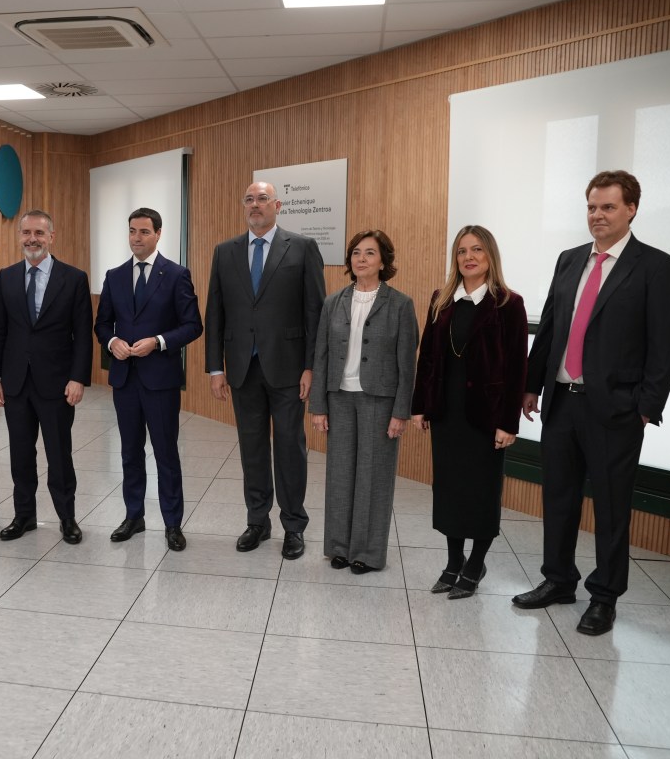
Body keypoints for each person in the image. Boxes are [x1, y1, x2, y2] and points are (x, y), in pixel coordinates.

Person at [514, 170, 670, 636]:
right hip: (562, 404)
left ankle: (605, 596)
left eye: (608, 207)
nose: (597, 215)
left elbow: (668, 341)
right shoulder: (570, 260)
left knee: (611, 507)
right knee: (559, 498)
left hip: (615, 409)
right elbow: (549, 326)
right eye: (592, 207)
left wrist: (647, 403)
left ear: (631, 209)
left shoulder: (655, 267)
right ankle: (558, 580)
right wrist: (532, 385)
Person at [205, 181, 326, 560]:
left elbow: (315, 312)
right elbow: (216, 312)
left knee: (290, 447)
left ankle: (294, 525)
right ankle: (257, 520)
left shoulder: (302, 248)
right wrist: (214, 368)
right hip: (242, 368)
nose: (255, 205)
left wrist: (311, 367)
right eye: (249, 200)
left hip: (289, 369)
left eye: (262, 199)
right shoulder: (225, 252)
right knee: (252, 449)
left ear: (277, 205)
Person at [410, 226, 528, 598]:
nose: (468, 257)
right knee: (449, 489)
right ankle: (452, 562)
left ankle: (475, 564)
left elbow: (517, 368)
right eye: (462, 251)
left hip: (486, 417)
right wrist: (420, 406)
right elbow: (427, 356)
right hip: (447, 414)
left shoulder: (508, 303)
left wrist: (508, 423)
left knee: (480, 492)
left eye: (477, 249)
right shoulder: (441, 300)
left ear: (490, 255)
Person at [94, 207, 203, 551]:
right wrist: (113, 343)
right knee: (129, 452)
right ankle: (134, 516)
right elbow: (102, 324)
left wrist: (157, 342)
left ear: (158, 234)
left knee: (165, 452)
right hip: (125, 379)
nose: (136, 238)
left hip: (160, 379)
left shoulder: (176, 274)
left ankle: (172, 523)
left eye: (143, 232)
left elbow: (192, 326)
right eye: (131, 231)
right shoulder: (114, 276)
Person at [309, 230, 416, 574]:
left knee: (374, 478)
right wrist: (318, 405)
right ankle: (339, 547)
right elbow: (321, 355)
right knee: (340, 475)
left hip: (379, 401)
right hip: (339, 398)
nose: (361, 259)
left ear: (383, 261)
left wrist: (401, 411)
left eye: (370, 253)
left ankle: (367, 553)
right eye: (356, 252)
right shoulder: (333, 302)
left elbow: (406, 364)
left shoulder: (400, 304)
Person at [0, 209, 92, 545]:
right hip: (16, 383)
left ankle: (67, 518)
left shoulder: (74, 278)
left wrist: (78, 378)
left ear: (52, 237)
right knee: (20, 453)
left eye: (39, 233)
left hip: (58, 384)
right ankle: (24, 516)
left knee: (59, 454)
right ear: (19, 236)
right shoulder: (5, 277)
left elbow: (82, 335)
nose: (32, 239)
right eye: (26, 233)